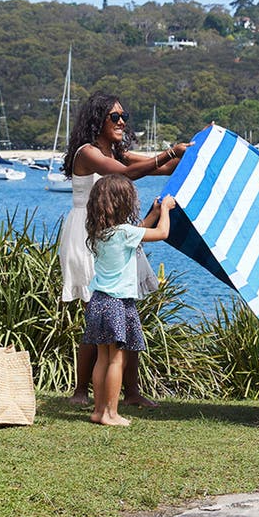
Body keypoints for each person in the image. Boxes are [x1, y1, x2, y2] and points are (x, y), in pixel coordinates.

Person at [59, 92, 190, 406]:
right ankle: (81, 392)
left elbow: (158, 168)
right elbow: (122, 173)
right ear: (98, 120)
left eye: (123, 117)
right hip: (86, 233)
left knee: (127, 314)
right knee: (96, 317)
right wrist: (170, 151)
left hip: (113, 232)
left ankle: (131, 393)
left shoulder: (116, 150)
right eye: (114, 117)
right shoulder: (87, 152)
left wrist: (192, 151)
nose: (121, 122)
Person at [84, 176, 176, 426]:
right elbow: (162, 233)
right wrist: (165, 210)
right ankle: (111, 414)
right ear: (124, 203)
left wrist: (154, 213)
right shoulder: (125, 232)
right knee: (117, 359)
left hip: (98, 301)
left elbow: (139, 231)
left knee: (103, 358)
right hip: (117, 303)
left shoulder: (100, 232)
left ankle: (98, 410)